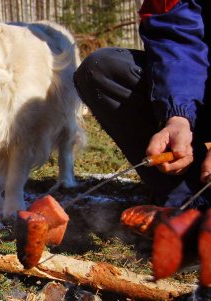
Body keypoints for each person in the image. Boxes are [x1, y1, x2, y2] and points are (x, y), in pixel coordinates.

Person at [74, 0, 211, 209]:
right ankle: (188, 199)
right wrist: (177, 117)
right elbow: (177, 40)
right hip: (197, 97)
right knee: (103, 69)